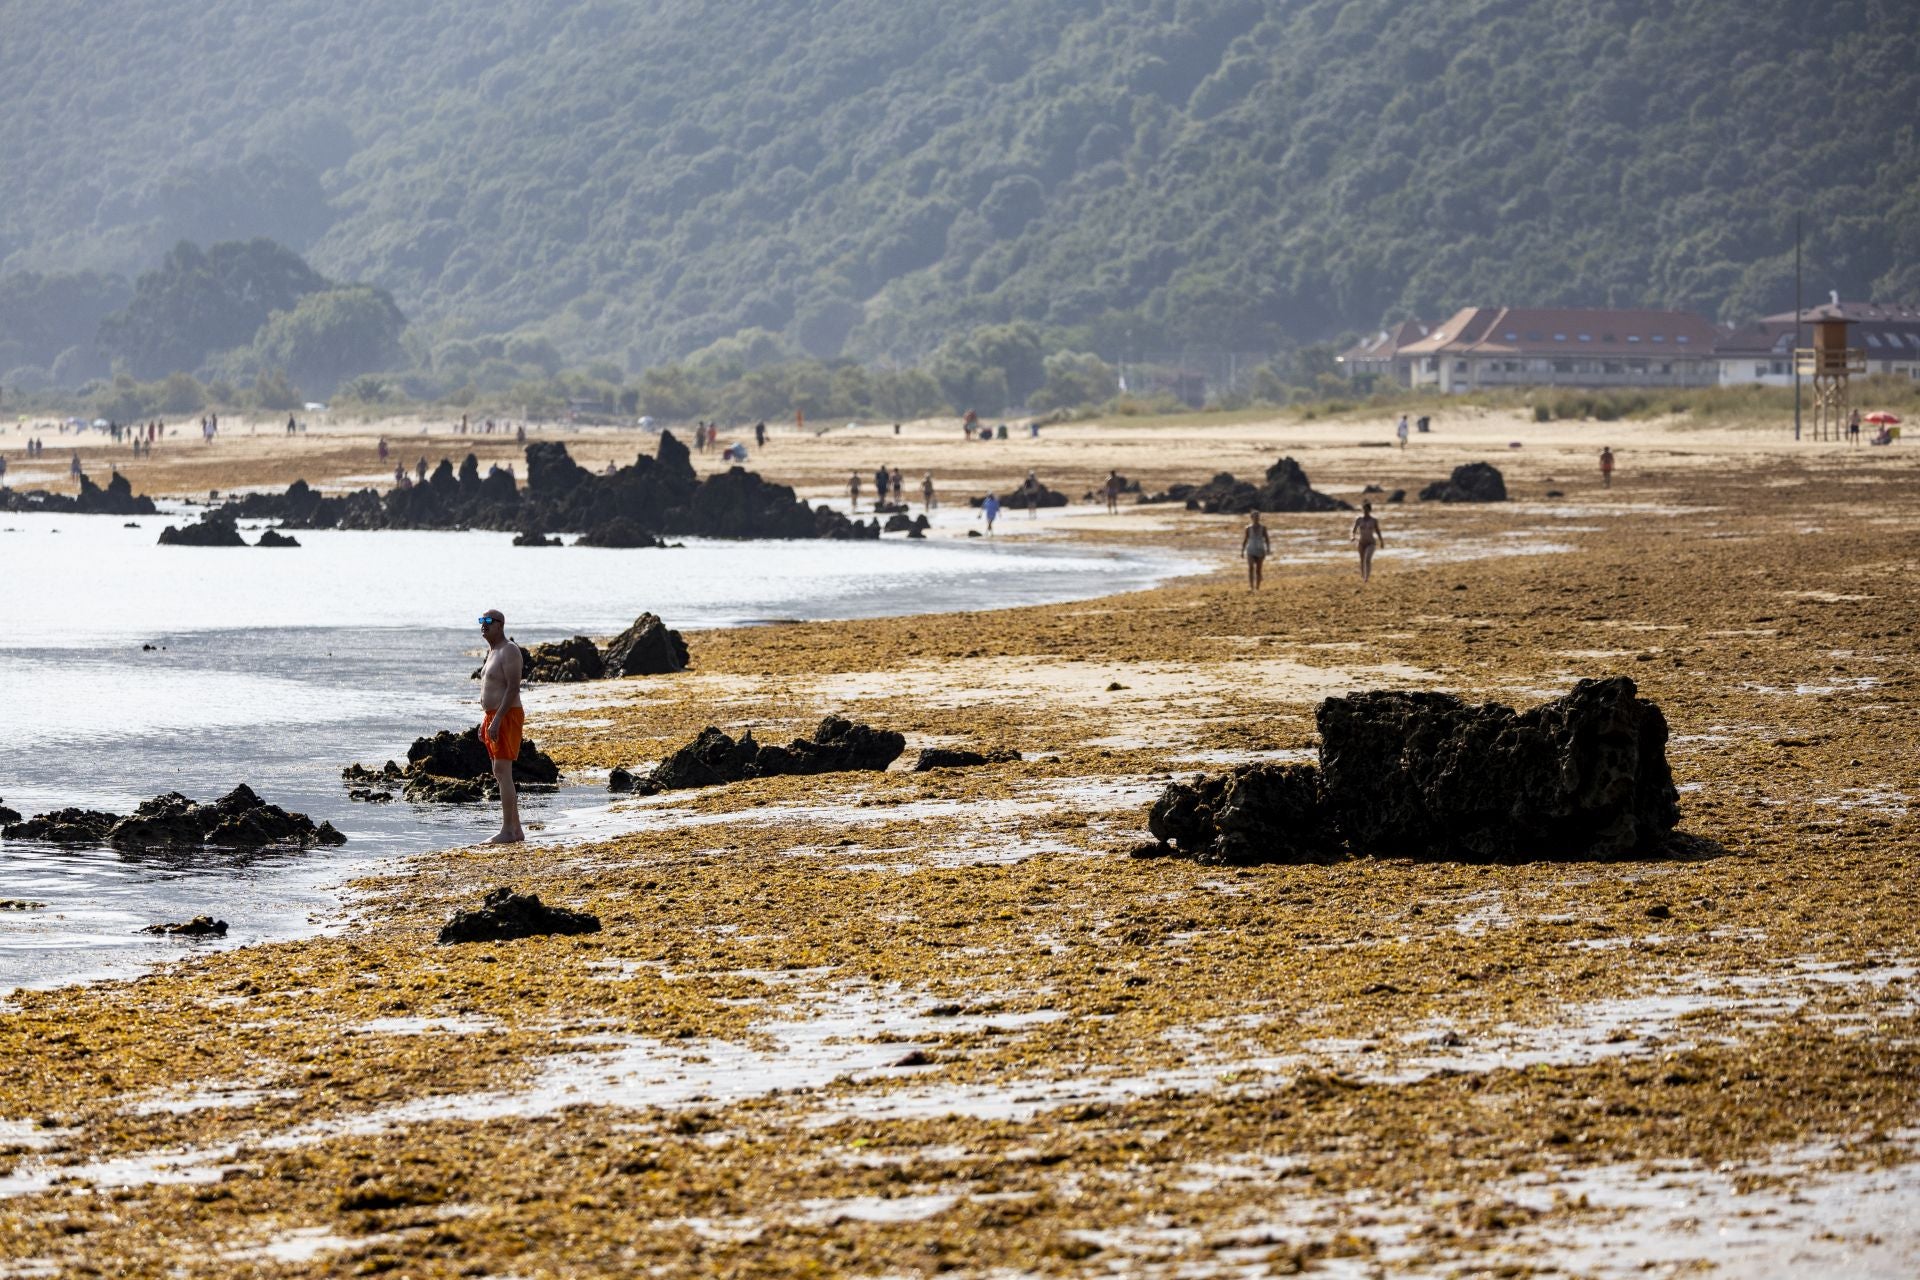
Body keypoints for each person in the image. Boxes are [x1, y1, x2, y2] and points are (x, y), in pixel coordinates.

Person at [476, 609, 525, 844]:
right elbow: (491, 688)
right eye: (481, 621)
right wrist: (485, 721)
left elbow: (513, 688)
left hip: (507, 716)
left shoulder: (509, 650)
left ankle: (507, 830)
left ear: (500, 625)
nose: (483, 625)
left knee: (504, 772)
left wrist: (497, 720)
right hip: (493, 716)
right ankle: (516, 829)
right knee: (499, 772)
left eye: (488, 621)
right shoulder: (492, 652)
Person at [1350, 501, 1384, 583]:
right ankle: (1363, 575)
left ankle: (1366, 578)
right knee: (1362, 559)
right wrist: (1352, 537)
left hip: (1371, 542)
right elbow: (1353, 530)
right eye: (1364, 509)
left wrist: (1381, 541)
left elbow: (1378, 531)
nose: (1365, 511)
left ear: (1369, 510)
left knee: (1367, 559)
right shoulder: (1359, 519)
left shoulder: (1373, 520)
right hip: (1361, 542)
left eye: (1367, 510)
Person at [1241, 511, 1270, 590]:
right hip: (1251, 549)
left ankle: (1257, 587)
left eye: (1258, 517)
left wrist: (1268, 549)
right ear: (1252, 518)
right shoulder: (1248, 528)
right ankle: (1251, 587)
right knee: (1250, 568)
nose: (1256, 518)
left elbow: (1267, 539)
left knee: (1258, 570)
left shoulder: (1263, 528)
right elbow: (1245, 539)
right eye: (1255, 517)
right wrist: (1242, 551)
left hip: (1260, 549)